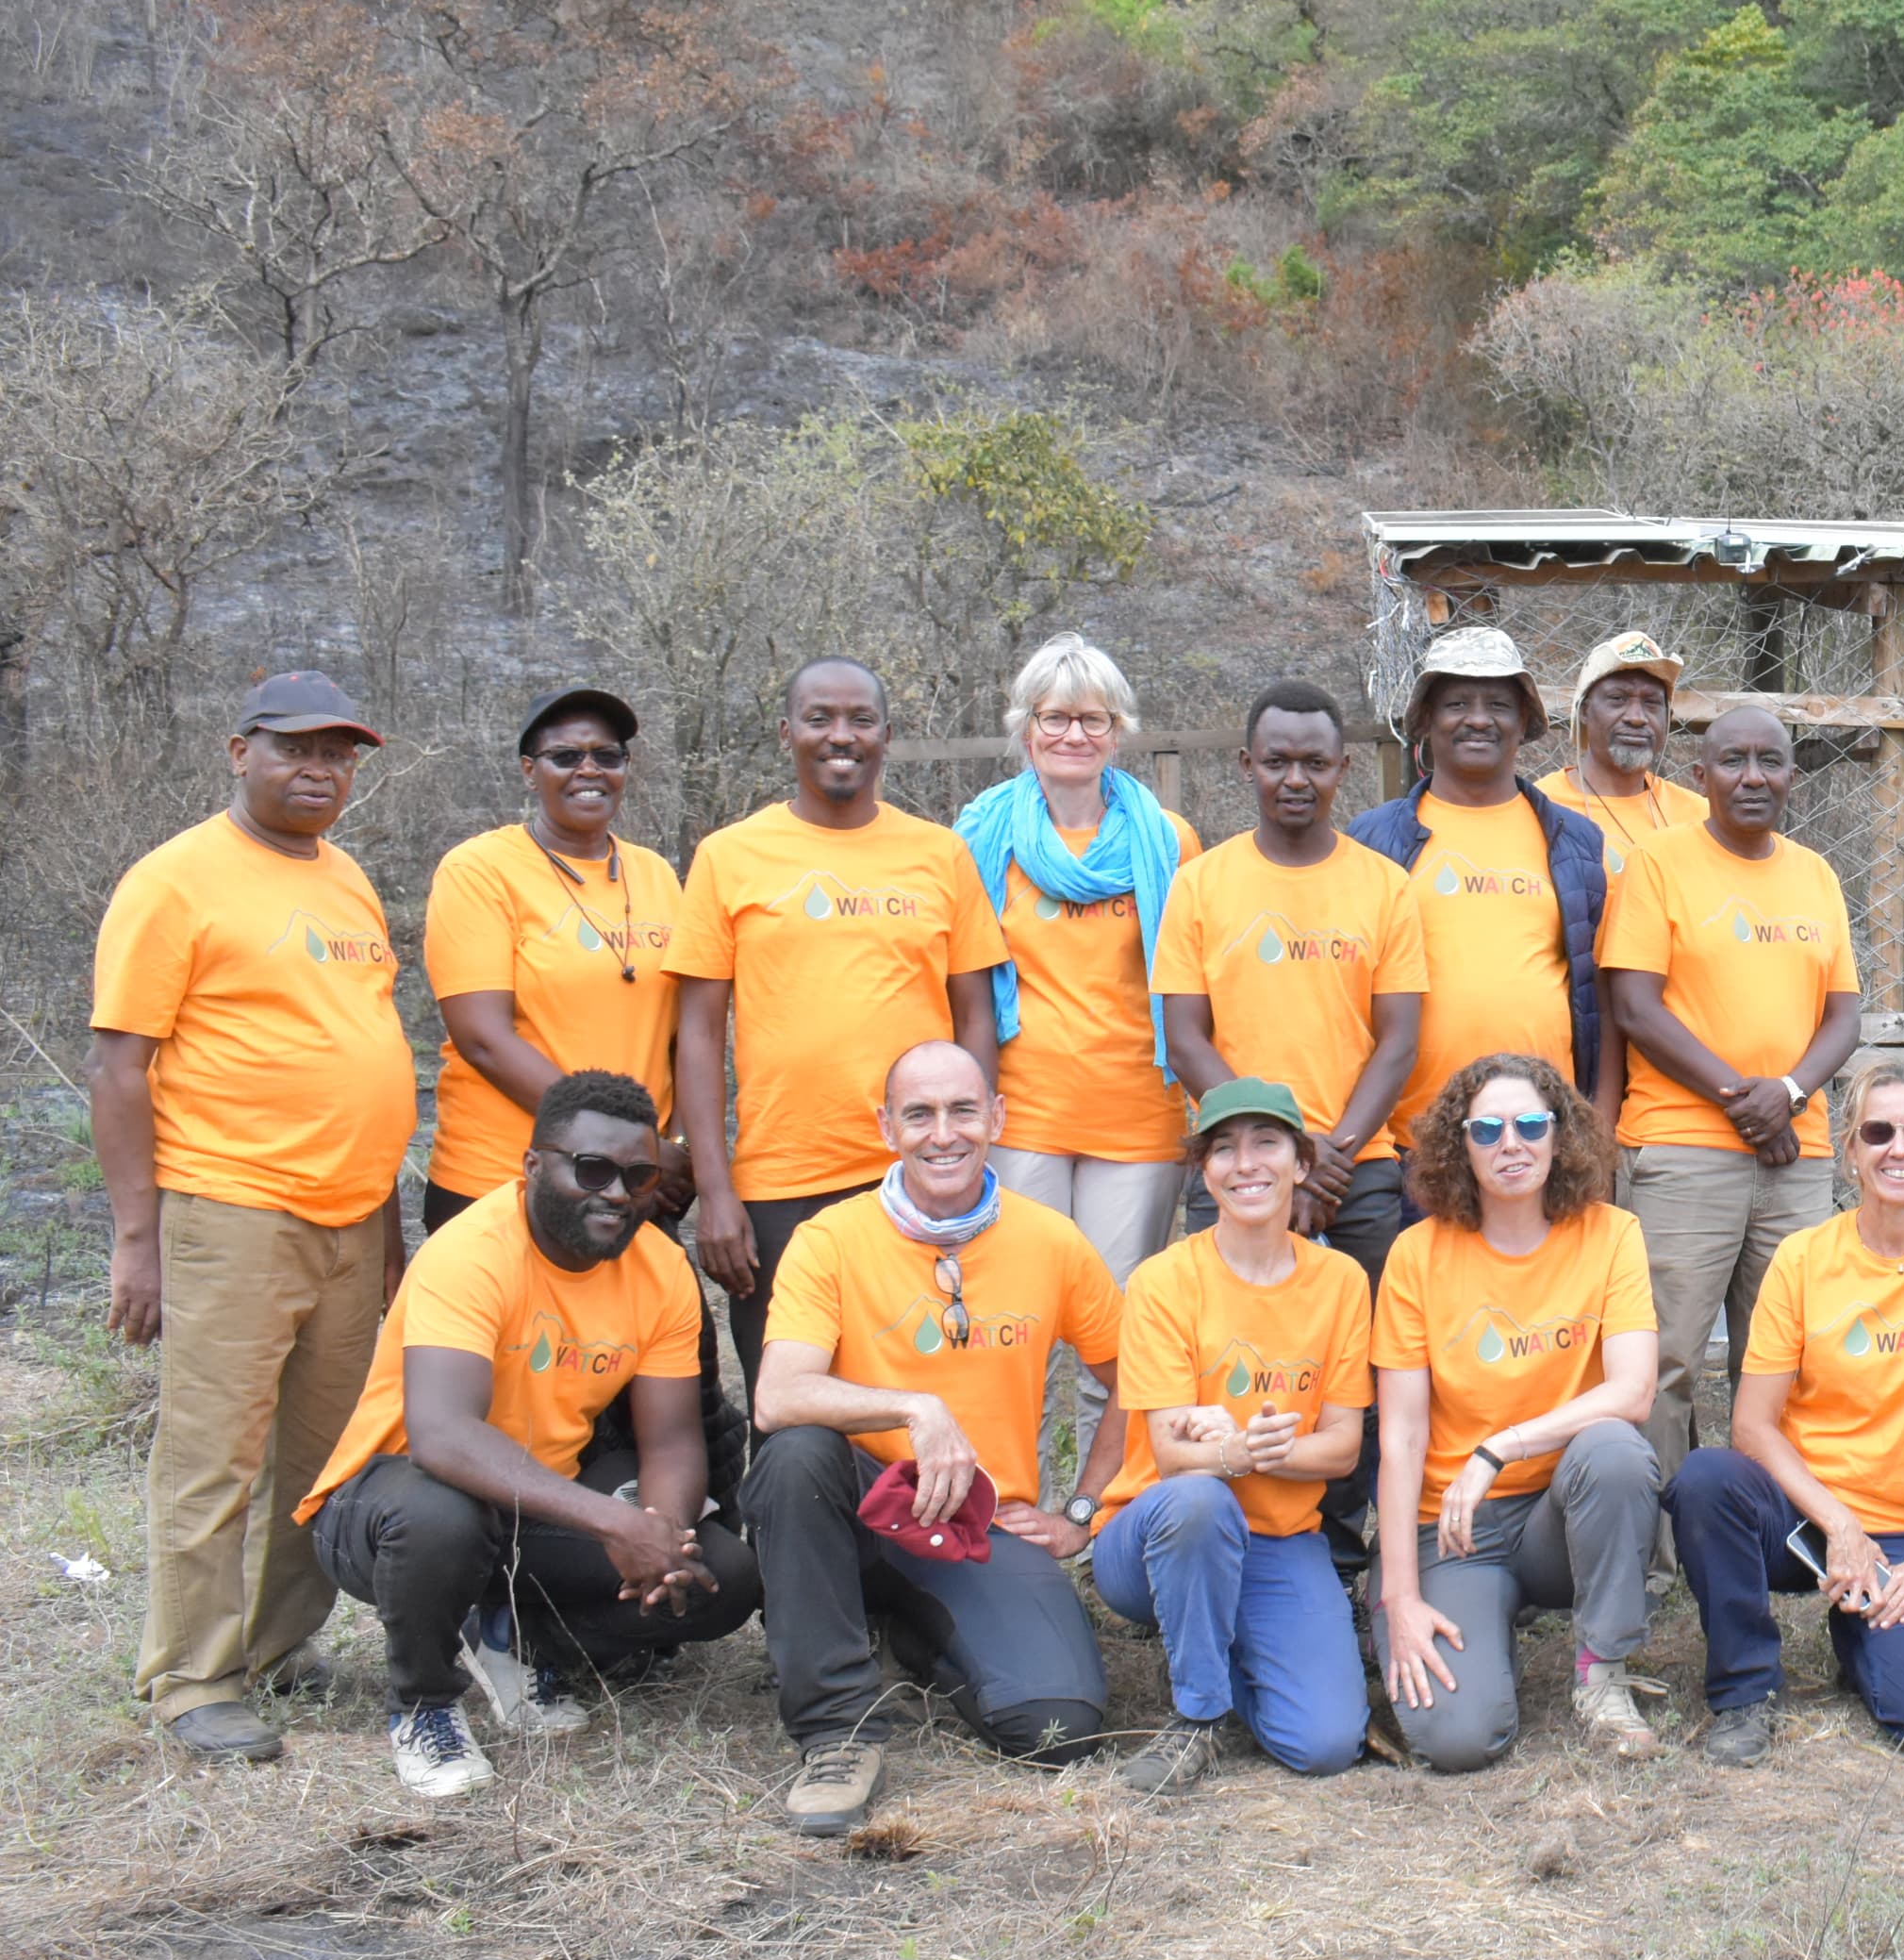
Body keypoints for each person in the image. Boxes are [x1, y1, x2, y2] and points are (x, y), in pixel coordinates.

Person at [91, 672, 418, 1764]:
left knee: (322, 1458)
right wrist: (138, 1237)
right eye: (294, 748)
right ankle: (191, 1675)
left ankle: (281, 1647)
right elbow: (120, 1063)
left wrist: (383, 1231)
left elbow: (357, 1050)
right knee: (214, 1454)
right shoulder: (175, 880)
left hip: (348, 1217)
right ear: (239, 751)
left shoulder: (350, 880)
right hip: (230, 1207)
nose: (318, 768)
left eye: (340, 753)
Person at [301, 1071, 761, 1797]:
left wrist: (659, 1537)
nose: (616, 1191)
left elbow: (671, 1442)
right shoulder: (472, 1250)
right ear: (533, 1166)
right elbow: (442, 1436)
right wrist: (614, 1519)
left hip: (533, 1507)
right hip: (387, 1507)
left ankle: (516, 1637)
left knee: (724, 1578)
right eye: (592, 1169)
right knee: (441, 1515)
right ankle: (424, 1706)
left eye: (638, 1176)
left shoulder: (661, 1269)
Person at [740, 1041, 1129, 1835]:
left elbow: (1140, 1379)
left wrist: (1083, 1509)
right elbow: (778, 1394)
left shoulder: (1051, 1241)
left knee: (1058, 1727)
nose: (942, 1133)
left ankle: (905, 1630)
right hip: (854, 1509)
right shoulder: (831, 1238)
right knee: (795, 1453)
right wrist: (916, 1407)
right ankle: (837, 1729)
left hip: (972, 1527)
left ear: (997, 1116)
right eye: (918, 1113)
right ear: (887, 1126)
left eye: (961, 1110)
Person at [671, 658, 1006, 1391]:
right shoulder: (728, 857)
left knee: (926, 1399)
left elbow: (975, 1011)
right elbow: (696, 1033)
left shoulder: (939, 853)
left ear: (888, 735)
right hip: (780, 1180)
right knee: (792, 1408)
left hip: (919, 1173)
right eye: (820, 717)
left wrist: (973, 1145)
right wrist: (715, 1186)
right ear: (787, 730)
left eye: (860, 719)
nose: (840, 735)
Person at [1668, 1063, 1904, 1764]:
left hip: (1903, 1529)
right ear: (1850, 1151)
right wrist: (1840, 1525)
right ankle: (1745, 1690)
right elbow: (1752, 1426)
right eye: (1878, 1131)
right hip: (1804, 1515)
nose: (1900, 1148)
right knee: (1706, 1479)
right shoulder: (1802, 1258)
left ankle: (1862, 1626)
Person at [1370, 1055, 1664, 1771]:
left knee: (1615, 1450)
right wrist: (1401, 1595)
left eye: (1532, 1124)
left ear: (1560, 1137)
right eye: (1488, 1128)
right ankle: (1406, 1612)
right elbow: (1402, 1437)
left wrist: (1501, 1445)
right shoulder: (1415, 1255)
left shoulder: (1610, 1233)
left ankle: (1601, 1673)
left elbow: (1633, 1391)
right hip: (1456, 1527)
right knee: (1459, 1740)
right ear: (1457, 1145)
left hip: (1561, 1519)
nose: (1512, 1143)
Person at [1085, 1079, 1375, 1789]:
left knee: (1327, 1743)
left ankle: (1214, 1647)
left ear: (1301, 1164)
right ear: (1204, 1171)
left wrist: (1252, 1445)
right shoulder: (1162, 1282)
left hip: (1277, 1540)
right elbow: (1172, 1455)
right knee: (1198, 1502)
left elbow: (1341, 1450)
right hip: (1153, 1536)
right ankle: (1198, 1716)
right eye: (1223, 1148)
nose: (1246, 1163)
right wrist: (1236, 1454)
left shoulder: (1340, 1282)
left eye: (1266, 1142)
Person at [1604, 704, 1863, 1494]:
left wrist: (1786, 1094)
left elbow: (1845, 1014)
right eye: (1733, 761)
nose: (1753, 777)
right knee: (1668, 1357)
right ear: (1699, 775)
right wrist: (1742, 1100)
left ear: (1793, 774)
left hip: (1798, 1156)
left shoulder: (1815, 873)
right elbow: (1635, 1006)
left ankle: (1770, 1527)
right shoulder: (1658, 862)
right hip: (1683, 1149)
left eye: (1772, 761)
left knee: (1785, 1355)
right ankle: (1653, 1546)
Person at [1156, 682, 1428, 1281]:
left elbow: (1399, 1042)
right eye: (1277, 763)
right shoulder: (1200, 884)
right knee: (1227, 1354)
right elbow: (1185, 1040)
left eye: (1315, 764)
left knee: (1370, 1361)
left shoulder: (1386, 886)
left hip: (1353, 1165)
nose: (1296, 780)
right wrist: (1279, 1147)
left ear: (1343, 768)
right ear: (1248, 765)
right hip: (1234, 1160)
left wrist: (1323, 1156)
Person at [954, 633, 1200, 1280]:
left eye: (1095, 719)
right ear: (1027, 728)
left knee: (1117, 1335)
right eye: (1055, 717)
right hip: (1019, 1116)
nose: (1074, 735)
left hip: (1137, 1119)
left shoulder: (1169, 842)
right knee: (1018, 1322)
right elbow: (961, 984)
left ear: (1117, 733)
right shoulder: (980, 838)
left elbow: (1194, 984)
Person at [422, 689, 687, 1237]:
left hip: (633, 1184)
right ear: (529, 770)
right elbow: (483, 1040)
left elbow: (684, 1036)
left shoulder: (657, 874)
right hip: (505, 1180)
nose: (589, 769)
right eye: (566, 756)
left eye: (607, 756)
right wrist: (616, 1144)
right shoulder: (480, 870)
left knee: (659, 1326)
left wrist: (676, 1150)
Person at [1347, 626, 1618, 1150]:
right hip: (1409, 1137)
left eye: (1498, 703)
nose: (1477, 718)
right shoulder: (1374, 840)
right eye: (1456, 703)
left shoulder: (1575, 841)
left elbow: (1600, 995)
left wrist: (1598, 1129)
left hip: (1543, 1138)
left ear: (1523, 723)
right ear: (1426, 720)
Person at [1535, 629, 1706, 875]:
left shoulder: (1698, 816)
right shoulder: (1542, 808)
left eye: (1651, 703)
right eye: (1617, 698)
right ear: (1584, 710)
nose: (1636, 718)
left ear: (1667, 718)